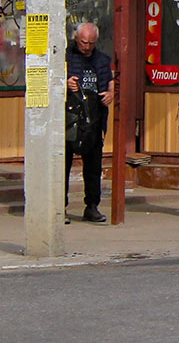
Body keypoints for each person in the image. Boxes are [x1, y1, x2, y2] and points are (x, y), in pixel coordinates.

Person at [65, 22, 114, 224]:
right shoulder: (67, 58)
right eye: (84, 42)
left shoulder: (102, 60)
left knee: (93, 166)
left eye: (91, 43)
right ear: (77, 38)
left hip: (94, 118)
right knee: (63, 164)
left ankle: (92, 206)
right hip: (70, 118)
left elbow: (110, 82)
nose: (87, 46)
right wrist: (65, 83)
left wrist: (111, 93)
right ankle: (60, 207)